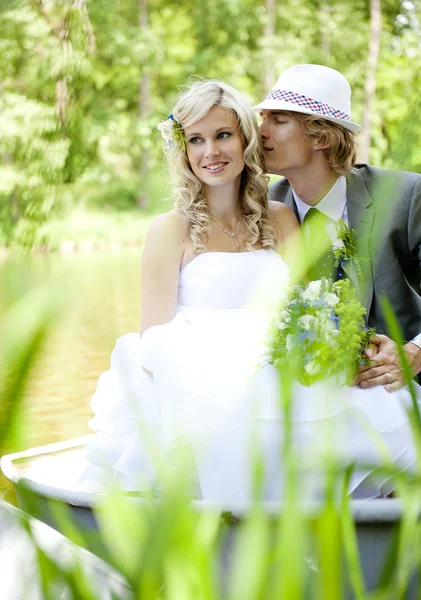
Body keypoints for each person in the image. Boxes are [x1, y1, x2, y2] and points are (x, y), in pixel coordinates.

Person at [78, 79, 420, 503]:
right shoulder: (170, 230)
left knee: (380, 408)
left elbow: (307, 309)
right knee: (236, 416)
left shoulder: (280, 219)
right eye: (197, 140)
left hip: (281, 366)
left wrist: (339, 350)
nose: (211, 152)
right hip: (199, 377)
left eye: (223, 135)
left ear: (245, 139)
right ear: (183, 150)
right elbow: (154, 339)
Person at [255, 64, 421, 391]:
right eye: (263, 118)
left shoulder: (406, 195)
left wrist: (415, 352)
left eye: (279, 119)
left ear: (320, 136)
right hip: (313, 393)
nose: (260, 131)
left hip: (405, 391)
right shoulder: (263, 211)